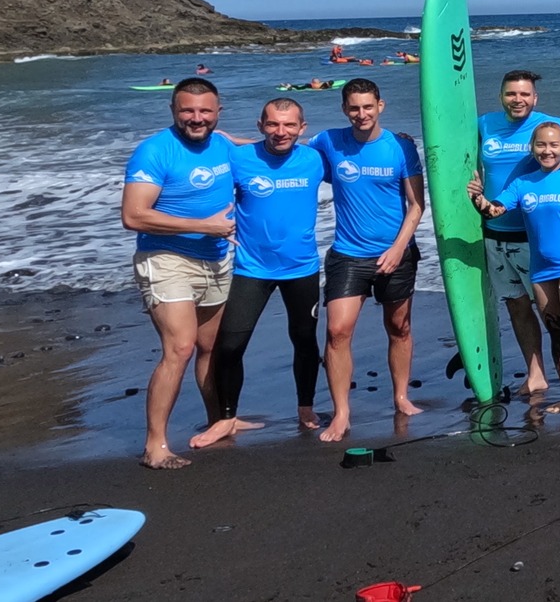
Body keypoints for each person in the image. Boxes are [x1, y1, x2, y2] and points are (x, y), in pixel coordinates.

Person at [191, 97, 326, 447]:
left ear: (302, 128)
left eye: (289, 125)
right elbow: (205, 178)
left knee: (305, 341)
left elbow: (356, 156)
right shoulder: (240, 158)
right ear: (260, 126)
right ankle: (227, 418)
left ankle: (306, 407)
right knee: (231, 345)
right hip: (251, 267)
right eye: (273, 124)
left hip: (302, 268)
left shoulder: (314, 158)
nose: (281, 132)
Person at [119, 77, 237, 469]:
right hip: (166, 258)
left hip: (217, 259)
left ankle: (219, 421)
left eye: (205, 111)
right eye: (188, 110)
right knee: (180, 348)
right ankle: (155, 446)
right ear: (173, 110)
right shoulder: (154, 151)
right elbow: (134, 215)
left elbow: (272, 148)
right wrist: (206, 226)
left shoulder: (222, 142)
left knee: (210, 347)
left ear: (219, 113)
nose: (196, 118)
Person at [473, 121, 560, 423]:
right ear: (532, 148)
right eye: (541, 145)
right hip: (541, 270)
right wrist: (479, 199)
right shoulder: (524, 184)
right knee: (558, 334)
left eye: (554, 145)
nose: (547, 151)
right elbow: (494, 209)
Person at [311, 78, 426, 441]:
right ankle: (342, 412)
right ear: (345, 110)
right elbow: (284, 155)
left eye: (368, 106)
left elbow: (416, 206)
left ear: (381, 106)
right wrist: (230, 145)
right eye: (354, 108)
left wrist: (397, 249)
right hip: (348, 253)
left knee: (400, 328)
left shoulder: (401, 148)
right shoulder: (329, 141)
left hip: (396, 254)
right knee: (336, 331)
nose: (362, 114)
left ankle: (402, 396)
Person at [476, 70, 560, 400]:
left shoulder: (549, 125)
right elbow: (449, 144)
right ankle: (536, 375)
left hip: (533, 237)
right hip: (495, 234)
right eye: (511, 94)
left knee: (552, 314)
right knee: (516, 307)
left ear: (535, 98)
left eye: (524, 94)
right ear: (501, 96)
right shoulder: (484, 124)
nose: (517, 100)